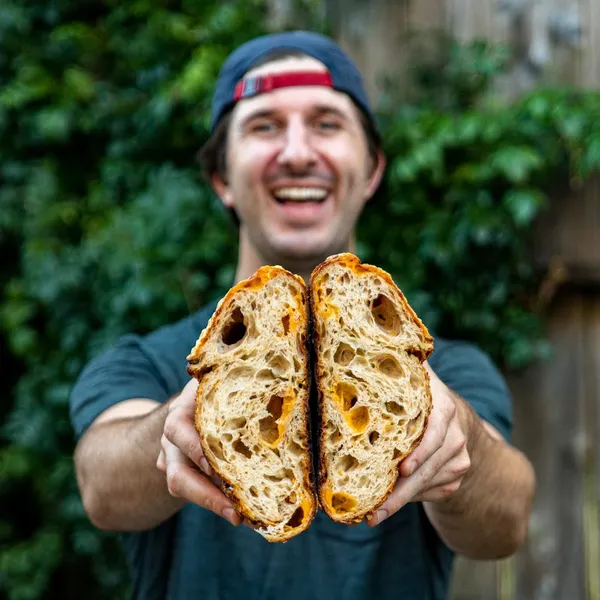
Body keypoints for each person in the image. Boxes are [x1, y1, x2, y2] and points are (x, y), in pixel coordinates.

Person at [70, 31, 536, 600]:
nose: (296, 152)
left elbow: (507, 519)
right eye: (264, 126)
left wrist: (457, 434)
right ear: (221, 178)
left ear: (371, 171)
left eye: (326, 124)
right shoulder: (147, 363)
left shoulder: (446, 370)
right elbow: (100, 484)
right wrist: (187, 426)